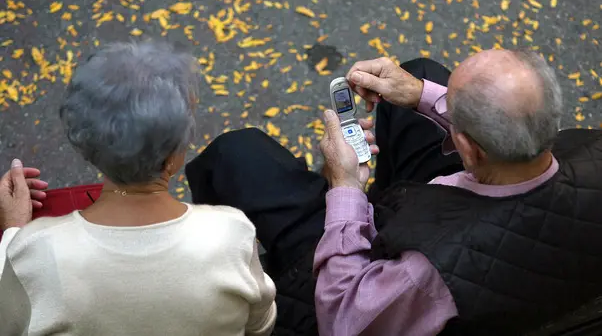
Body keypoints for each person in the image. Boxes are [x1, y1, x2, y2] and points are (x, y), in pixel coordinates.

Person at [186, 49, 602, 336]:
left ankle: (227, 279)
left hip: (363, 278)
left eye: (452, 115)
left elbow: (344, 317)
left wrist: (346, 188)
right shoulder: (591, 150)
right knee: (421, 69)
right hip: (486, 211)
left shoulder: (427, 276)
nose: (444, 106)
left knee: (237, 155)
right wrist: (423, 94)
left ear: (470, 150)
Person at [0, 42, 276, 336]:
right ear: (175, 155)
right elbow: (261, 324)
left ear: (87, 147)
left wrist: (13, 231)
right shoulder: (231, 234)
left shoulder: (35, 253)